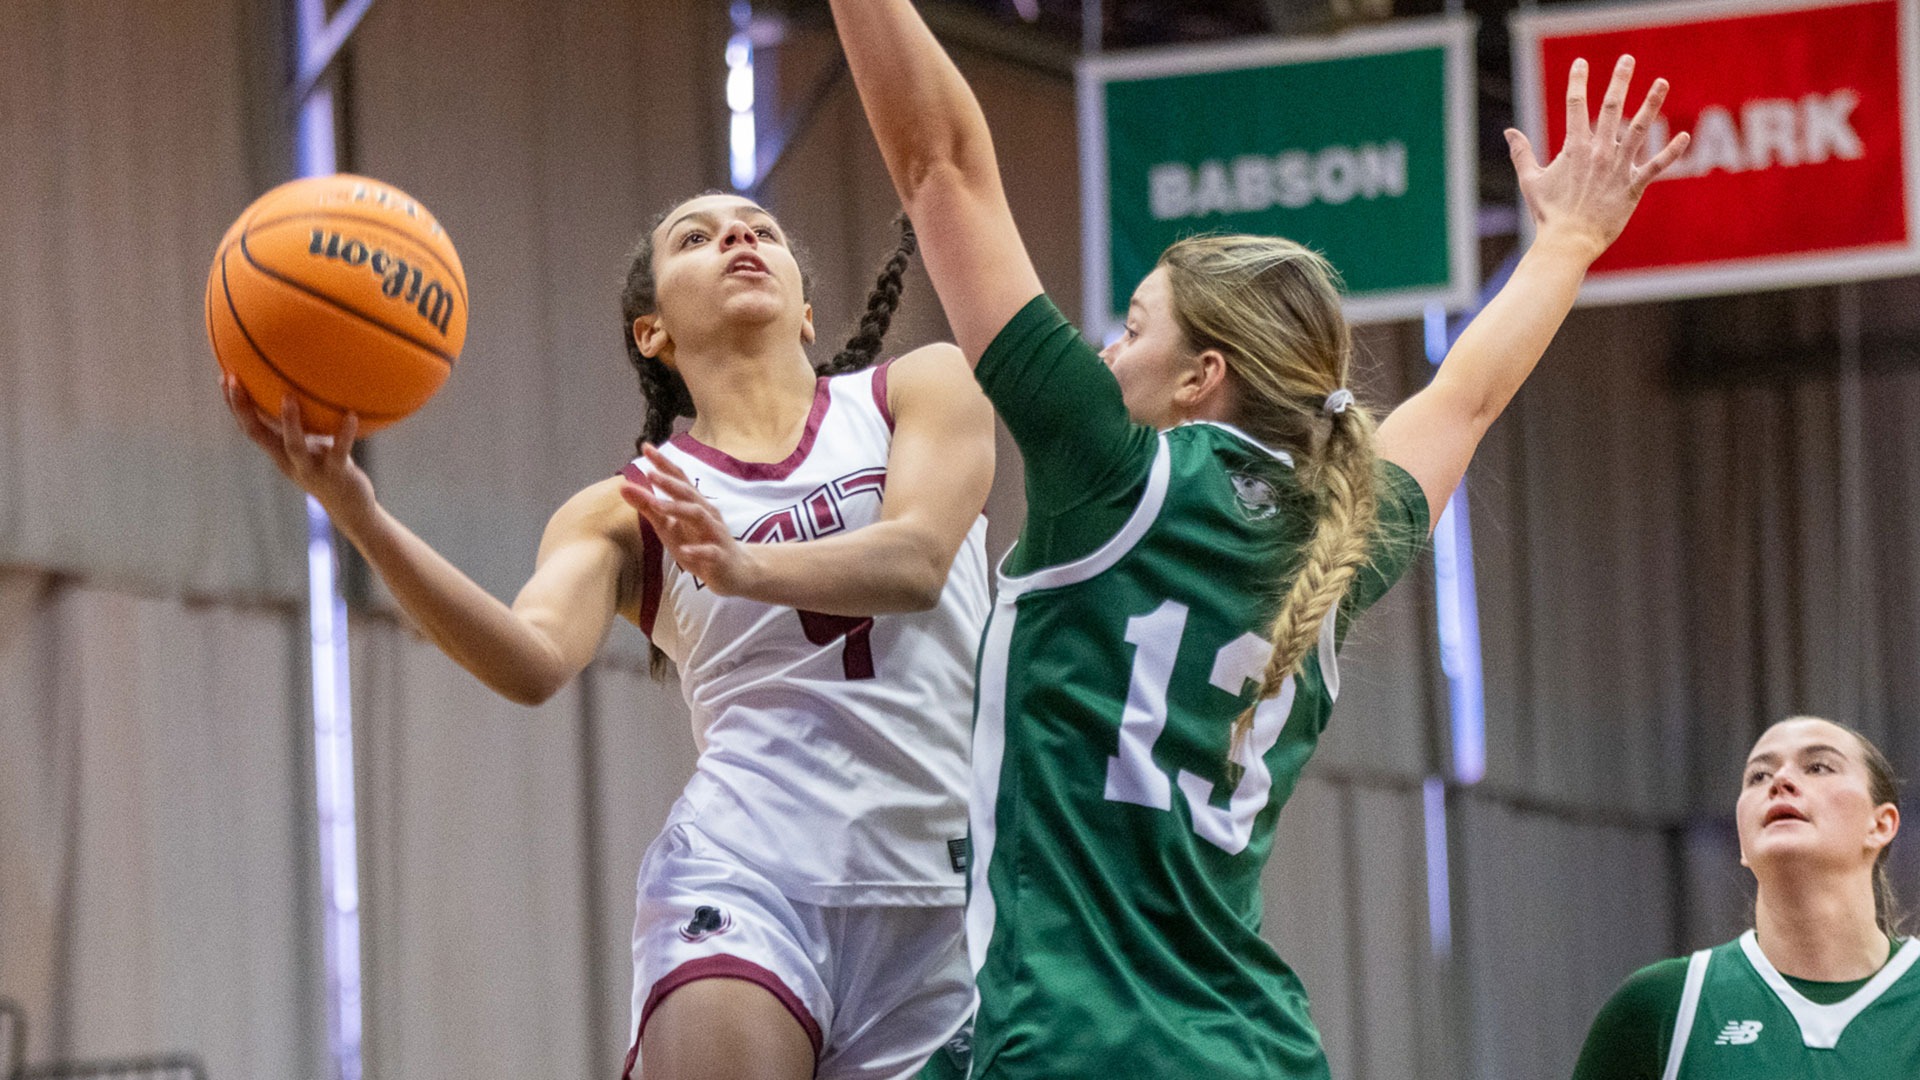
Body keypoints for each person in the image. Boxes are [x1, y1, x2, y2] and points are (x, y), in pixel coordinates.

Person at [824, 1, 1690, 1074]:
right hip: (1258, 1050)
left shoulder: (1112, 471)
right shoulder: (1341, 528)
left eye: (1133, 327)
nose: (1104, 347)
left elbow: (941, 164)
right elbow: (1462, 398)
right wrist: (1568, 238)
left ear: (1202, 378)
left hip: (1080, 1046)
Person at [223, 192, 994, 1080]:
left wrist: (743, 566)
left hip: (943, 899)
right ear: (652, 332)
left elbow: (918, 561)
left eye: (762, 229)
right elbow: (532, 661)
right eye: (694, 240)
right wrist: (361, 519)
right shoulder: (624, 509)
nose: (738, 238)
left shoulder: (920, 387)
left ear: (807, 308)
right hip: (749, 873)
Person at [1572, 716, 1917, 1079]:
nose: (1781, 781)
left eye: (1818, 766)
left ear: (1881, 825)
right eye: (1758, 776)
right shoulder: (1660, 1004)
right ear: (1742, 842)